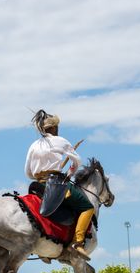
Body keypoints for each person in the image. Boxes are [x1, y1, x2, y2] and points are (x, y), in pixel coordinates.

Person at [24, 110, 94, 260]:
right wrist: (69, 174)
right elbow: (77, 162)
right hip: (56, 184)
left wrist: (40, 175)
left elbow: (28, 172)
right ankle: (78, 243)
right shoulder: (60, 140)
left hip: (37, 185)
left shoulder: (34, 145)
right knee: (88, 207)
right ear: (54, 128)